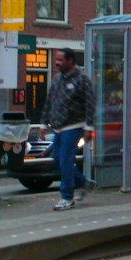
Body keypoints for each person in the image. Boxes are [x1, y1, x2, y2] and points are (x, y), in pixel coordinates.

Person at [42, 48, 96, 210]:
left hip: (74, 126)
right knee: (57, 159)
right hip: (58, 127)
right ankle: (83, 182)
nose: (57, 62)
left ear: (70, 61)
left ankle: (67, 197)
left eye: (61, 60)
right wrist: (44, 123)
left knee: (65, 159)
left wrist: (88, 127)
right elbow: (49, 101)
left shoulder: (82, 79)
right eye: (57, 59)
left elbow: (90, 103)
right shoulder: (57, 79)